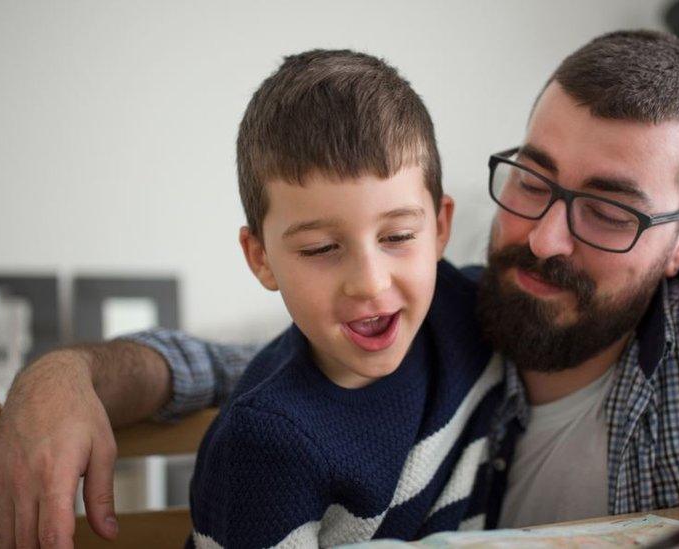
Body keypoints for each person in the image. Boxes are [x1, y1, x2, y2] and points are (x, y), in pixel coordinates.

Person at [0, 31, 679, 549]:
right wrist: (65, 373)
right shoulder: (455, 308)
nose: (544, 234)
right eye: (533, 179)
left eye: (610, 210)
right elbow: (242, 368)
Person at [188, 48, 502, 548]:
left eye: (398, 236)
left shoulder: (475, 312)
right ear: (262, 258)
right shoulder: (266, 445)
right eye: (321, 248)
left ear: (440, 227)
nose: (371, 283)